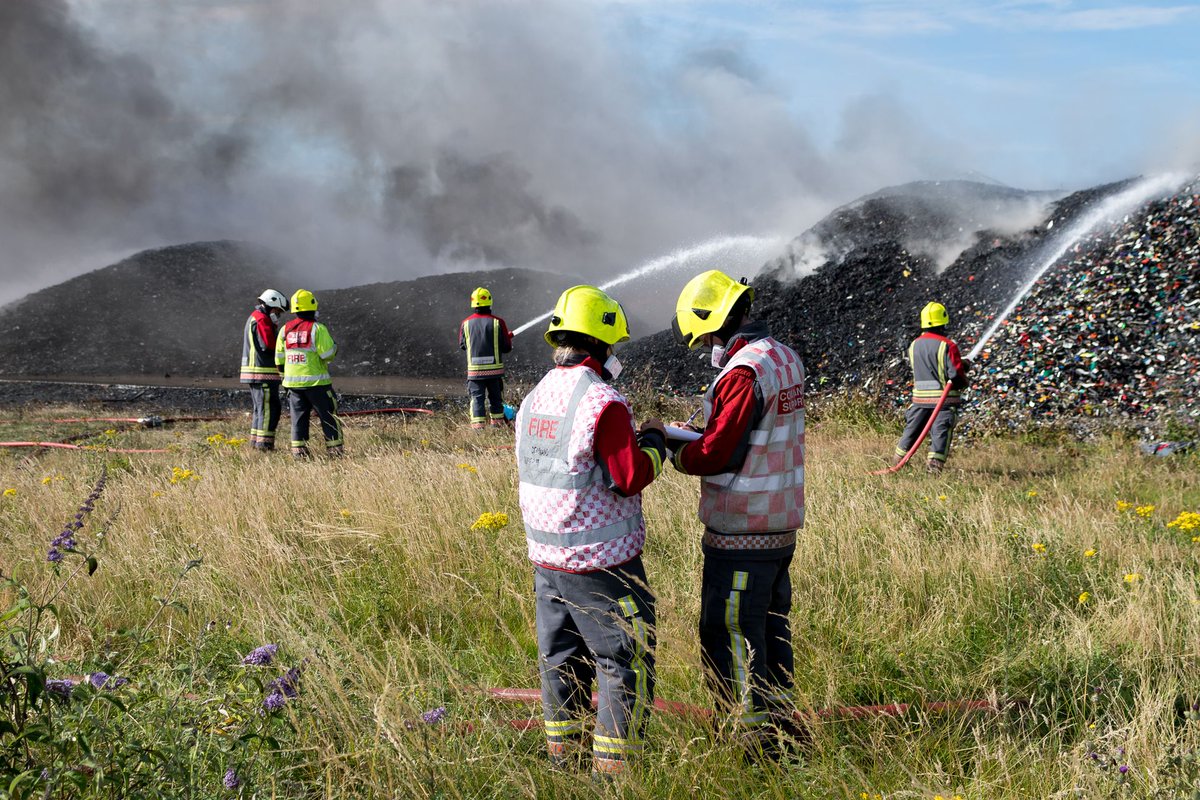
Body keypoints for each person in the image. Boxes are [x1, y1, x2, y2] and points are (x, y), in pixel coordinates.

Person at [515, 285, 667, 777]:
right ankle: (616, 774)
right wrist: (657, 443)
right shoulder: (603, 401)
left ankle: (565, 761)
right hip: (603, 564)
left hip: (547, 560)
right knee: (622, 661)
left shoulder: (538, 395)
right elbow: (629, 476)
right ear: (602, 344)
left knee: (560, 661)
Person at [669, 270, 807, 757]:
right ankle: (783, 722)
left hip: (743, 528)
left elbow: (719, 453)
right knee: (770, 626)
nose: (705, 345)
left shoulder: (744, 372)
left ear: (715, 323)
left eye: (704, 336)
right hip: (781, 521)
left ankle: (751, 740)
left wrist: (673, 449)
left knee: (728, 631)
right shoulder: (783, 356)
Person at [892, 301, 971, 474]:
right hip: (943, 402)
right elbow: (955, 375)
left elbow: (926, 367)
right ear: (943, 321)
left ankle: (897, 462)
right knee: (940, 433)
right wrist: (965, 378)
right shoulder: (948, 345)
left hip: (919, 400)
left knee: (911, 431)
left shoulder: (914, 345)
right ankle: (933, 470)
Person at [274, 289, 344, 459]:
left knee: (298, 419)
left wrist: (285, 378)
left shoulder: (284, 330)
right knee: (328, 416)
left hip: (293, 386)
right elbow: (327, 354)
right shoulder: (317, 329)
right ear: (313, 308)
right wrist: (334, 346)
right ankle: (335, 452)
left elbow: (279, 359)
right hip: (317, 385)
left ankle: (299, 453)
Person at [458, 287, 514, 429]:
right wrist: (505, 338)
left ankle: (478, 431)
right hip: (494, 373)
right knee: (496, 399)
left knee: (477, 399)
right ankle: (496, 428)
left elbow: (463, 345)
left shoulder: (466, 323)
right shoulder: (498, 322)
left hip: (475, 372)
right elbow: (507, 348)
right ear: (490, 302)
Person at [240, 289, 288, 451]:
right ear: (272, 305)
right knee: (270, 409)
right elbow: (268, 344)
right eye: (278, 311)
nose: (278, 314)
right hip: (263, 373)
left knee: (260, 409)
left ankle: (256, 443)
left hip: (254, 373)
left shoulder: (254, 317)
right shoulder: (262, 319)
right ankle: (265, 446)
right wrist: (281, 339)